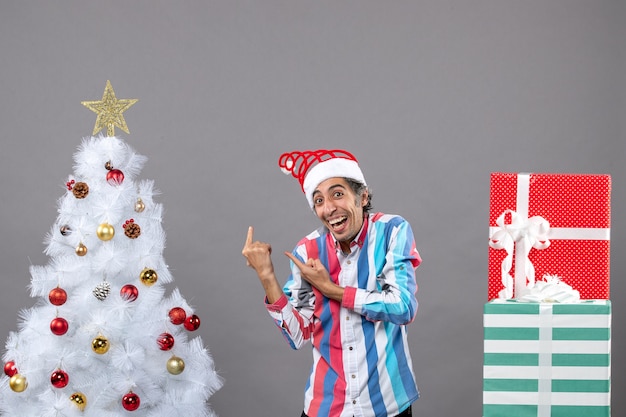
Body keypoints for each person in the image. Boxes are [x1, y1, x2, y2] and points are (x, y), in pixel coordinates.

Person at [242, 149, 421, 417]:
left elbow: (403, 306)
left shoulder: (392, 231)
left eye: (338, 194)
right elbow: (297, 335)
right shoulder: (306, 251)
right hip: (326, 408)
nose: (329, 208)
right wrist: (267, 276)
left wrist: (331, 290)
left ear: (362, 197)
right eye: (319, 200)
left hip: (387, 406)